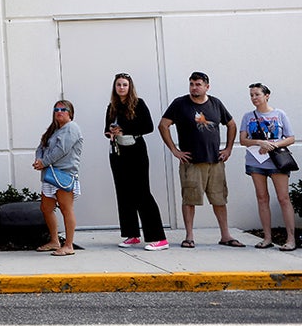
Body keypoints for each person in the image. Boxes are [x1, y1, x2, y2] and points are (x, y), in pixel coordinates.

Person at [158, 71, 242, 248]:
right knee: (189, 199)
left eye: (198, 84)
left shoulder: (216, 103)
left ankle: (225, 236)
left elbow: (232, 124)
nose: (194, 88)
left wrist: (228, 149)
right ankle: (189, 237)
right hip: (192, 162)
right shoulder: (180, 103)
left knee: (219, 199)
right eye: (191, 84)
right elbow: (163, 125)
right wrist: (175, 150)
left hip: (215, 161)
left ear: (207, 87)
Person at [105, 73, 168, 251]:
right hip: (117, 151)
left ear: (130, 87)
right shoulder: (112, 106)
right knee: (123, 193)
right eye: (119, 85)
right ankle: (132, 234)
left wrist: (124, 128)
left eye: (125, 85)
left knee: (142, 193)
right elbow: (106, 128)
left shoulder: (138, 104)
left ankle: (158, 238)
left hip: (136, 151)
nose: (122, 88)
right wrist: (111, 133)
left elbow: (148, 126)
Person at [239, 83, 296, 251]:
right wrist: (259, 142)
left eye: (257, 94)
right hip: (256, 161)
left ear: (267, 95)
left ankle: (291, 238)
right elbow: (243, 140)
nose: (254, 98)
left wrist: (273, 145)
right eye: (251, 95)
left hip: (277, 161)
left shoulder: (279, 114)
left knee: (283, 198)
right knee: (262, 198)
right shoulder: (248, 116)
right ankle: (267, 237)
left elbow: (290, 137)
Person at [33, 100, 84, 256]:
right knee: (46, 208)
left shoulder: (72, 128)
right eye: (56, 109)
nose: (59, 112)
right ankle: (54, 241)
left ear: (70, 113)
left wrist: (44, 162)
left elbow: (61, 150)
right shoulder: (54, 130)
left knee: (65, 208)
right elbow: (41, 146)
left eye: (63, 109)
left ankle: (68, 245)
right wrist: (39, 160)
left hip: (64, 174)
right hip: (50, 175)